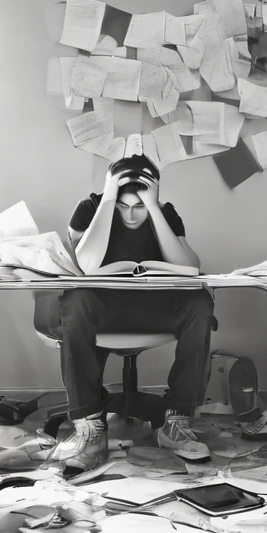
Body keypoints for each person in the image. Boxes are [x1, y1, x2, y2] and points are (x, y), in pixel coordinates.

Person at [34, 152, 214, 473]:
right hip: (102, 311)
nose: (131, 216)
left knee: (199, 302)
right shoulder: (90, 209)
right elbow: (85, 266)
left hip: (150, 308)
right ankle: (90, 428)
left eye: (139, 206)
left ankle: (177, 421)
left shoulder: (164, 213)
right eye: (123, 206)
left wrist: (155, 209)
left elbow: (189, 268)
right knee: (76, 301)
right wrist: (108, 199)